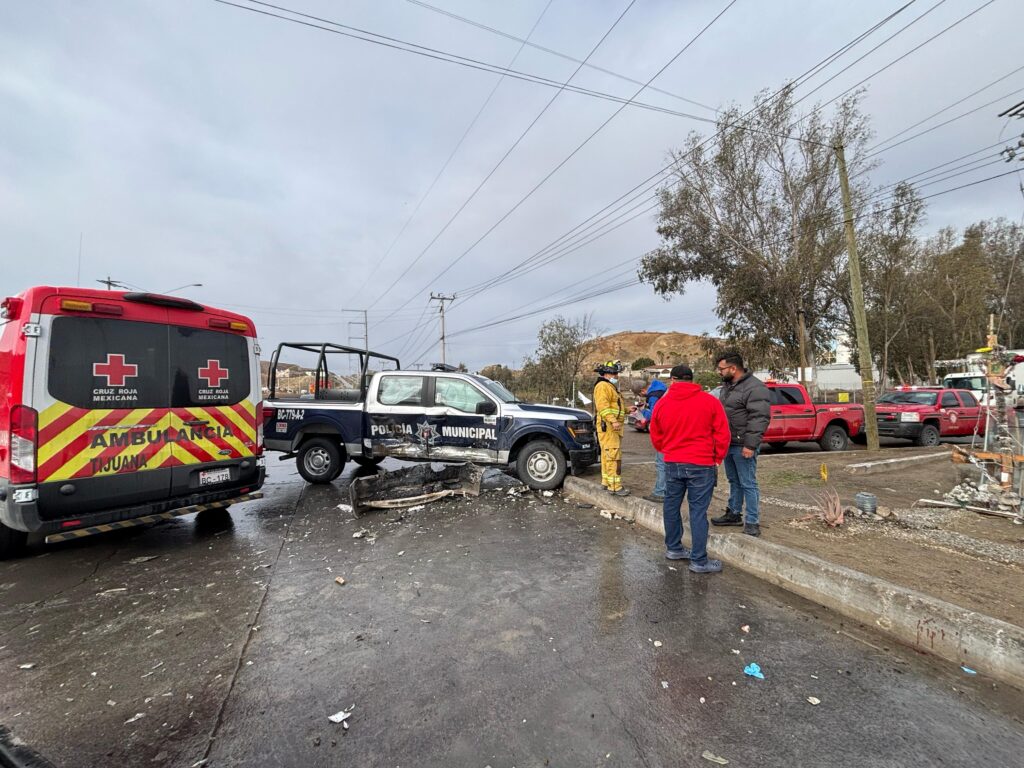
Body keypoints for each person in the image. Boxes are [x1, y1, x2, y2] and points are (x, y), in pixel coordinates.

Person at [649, 364, 730, 573]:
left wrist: (666, 450)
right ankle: (699, 560)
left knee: (671, 505)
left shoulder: (662, 404)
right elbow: (723, 433)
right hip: (702, 464)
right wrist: (718, 457)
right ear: (692, 380)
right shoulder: (709, 401)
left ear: (673, 380)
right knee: (698, 512)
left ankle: (674, 548)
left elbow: (655, 434)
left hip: (673, 462)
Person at [712, 352, 770, 537]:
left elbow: (759, 418)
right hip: (728, 443)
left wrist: (750, 445)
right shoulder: (728, 387)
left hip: (743, 445)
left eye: (721, 369)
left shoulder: (754, 388)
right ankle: (733, 513)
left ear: (733, 368)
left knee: (748, 483)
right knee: (734, 480)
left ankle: (752, 521)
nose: (719, 372)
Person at [593, 361, 629, 496]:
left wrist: (627, 410)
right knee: (613, 455)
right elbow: (603, 407)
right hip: (608, 426)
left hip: (610, 426)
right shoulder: (603, 386)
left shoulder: (608, 386)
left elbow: (615, 406)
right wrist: (613, 421)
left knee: (607, 454)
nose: (617, 376)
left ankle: (606, 482)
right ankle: (615, 487)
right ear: (607, 373)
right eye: (614, 373)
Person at [636, 378, 668, 502]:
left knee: (661, 463)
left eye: (640, 394)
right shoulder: (662, 389)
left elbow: (656, 417)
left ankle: (660, 492)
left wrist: (643, 411)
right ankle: (664, 490)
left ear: (643, 390)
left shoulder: (653, 396)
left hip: (663, 434)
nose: (642, 396)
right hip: (671, 432)